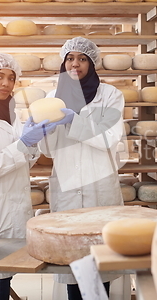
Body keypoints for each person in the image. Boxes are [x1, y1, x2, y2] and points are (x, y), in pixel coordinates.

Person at [0, 53, 60, 300]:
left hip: (13, 208)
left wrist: (33, 143)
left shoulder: (9, 114)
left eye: (11, 78)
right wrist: (22, 145)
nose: (6, 83)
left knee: (3, 274)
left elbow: (24, 160)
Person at [38, 37, 127, 300]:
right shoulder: (51, 97)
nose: (75, 64)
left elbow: (109, 138)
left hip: (99, 188)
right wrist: (43, 130)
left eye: (82, 58)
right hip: (67, 189)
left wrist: (73, 120)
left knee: (100, 265)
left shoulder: (110, 95)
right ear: (63, 62)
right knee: (73, 263)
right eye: (70, 58)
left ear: (91, 63)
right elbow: (47, 150)